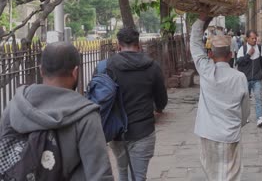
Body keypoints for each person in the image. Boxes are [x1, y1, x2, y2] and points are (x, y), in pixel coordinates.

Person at [0, 42, 114, 180]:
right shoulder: (86, 115)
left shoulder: (16, 105)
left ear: (41, 70)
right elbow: (99, 174)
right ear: (75, 72)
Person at [190, 14, 250, 181]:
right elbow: (245, 110)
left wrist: (203, 18)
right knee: (231, 175)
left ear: (210, 55)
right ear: (231, 55)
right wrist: (240, 123)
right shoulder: (239, 78)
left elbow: (194, 42)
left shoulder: (206, 70)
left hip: (207, 133)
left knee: (212, 175)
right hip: (230, 134)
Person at [107, 27, 168, 181]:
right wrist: (157, 109)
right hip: (144, 130)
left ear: (118, 45)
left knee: (122, 173)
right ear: (139, 44)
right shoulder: (152, 67)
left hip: (117, 131)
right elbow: (161, 100)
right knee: (138, 176)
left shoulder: (107, 67)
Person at [237, 30, 262, 128]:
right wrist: (248, 55)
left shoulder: (259, 48)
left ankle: (260, 118)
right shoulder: (243, 49)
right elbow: (239, 62)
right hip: (246, 79)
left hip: (257, 78)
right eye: (252, 38)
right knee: (245, 99)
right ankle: (245, 117)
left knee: (258, 98)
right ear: (247, 39)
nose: (254, 40)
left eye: (255, 38)